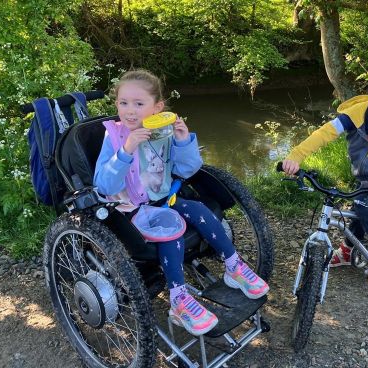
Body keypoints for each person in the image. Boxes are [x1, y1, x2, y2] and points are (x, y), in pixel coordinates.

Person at [94, 69, 269, 335]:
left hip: (163, 198)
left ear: (158, 108)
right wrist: (126, 150)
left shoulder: (163, 132)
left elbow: (188, 169)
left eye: (139, 104)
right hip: (129, 210)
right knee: (170, 233)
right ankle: (178, 299)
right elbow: (105, 185)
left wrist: (183, 141)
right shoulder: (115, 136)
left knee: (197, 208)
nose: (129, 111)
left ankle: (233, 265)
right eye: (123, 103)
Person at [281, 55, 368, 284]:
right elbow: (324, 134)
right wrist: (296, 156)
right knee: (356, 210)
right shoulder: (357, 113)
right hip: (362, 174)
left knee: (366, 208)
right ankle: (349, 251)